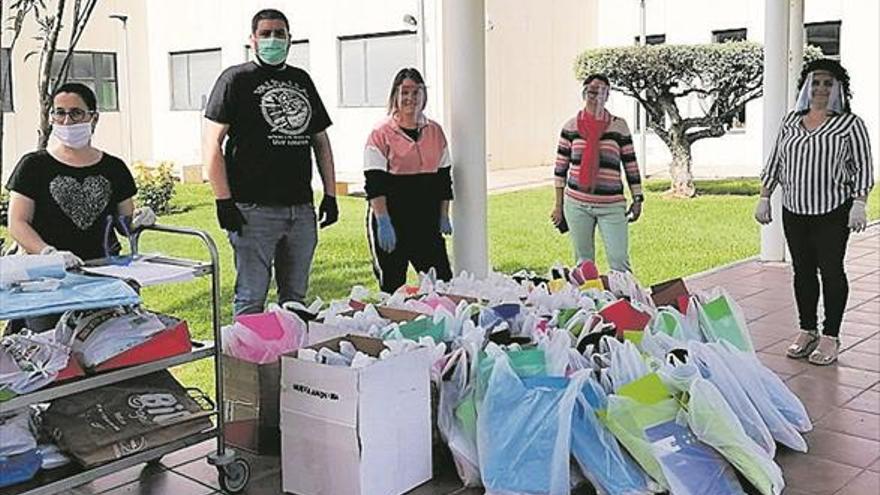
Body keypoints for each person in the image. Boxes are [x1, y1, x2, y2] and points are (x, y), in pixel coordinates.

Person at [203, 8, 338, 315]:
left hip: (300, 210)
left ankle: (289, 363)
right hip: (253, 211)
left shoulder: (301, 80)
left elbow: (321, 140)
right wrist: (223, 200)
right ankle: (249, 364)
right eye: (265, 34)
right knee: (251, 299)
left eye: (280, 33)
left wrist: (330, 194)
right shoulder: (235, 79)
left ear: (290, 40)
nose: (273, 39)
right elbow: (211, 143)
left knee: (295, 301)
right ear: (252, 40)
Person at [5, 82, 155, 330]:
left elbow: (124, 223)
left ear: (93, 117)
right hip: (47, 282)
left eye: (75, 113)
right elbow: (17, 223)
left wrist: (140, 219)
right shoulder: (33, 166)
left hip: (103, 277)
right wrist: (48, 254)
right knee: (52, 353)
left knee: (111, 351)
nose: (66, 121)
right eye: (59, 113)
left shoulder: (114, 168)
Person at [756, 58, 874, 366]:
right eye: (816, 82)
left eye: (828, 82)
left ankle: (830, 335)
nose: (821, 88)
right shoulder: (790, 122)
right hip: (795, 209)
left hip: (832, 211)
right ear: (806, 87)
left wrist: (859, 203)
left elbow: (862, 166)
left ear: (839, 88)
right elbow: (776, 161)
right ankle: (807, 329)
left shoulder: (850, 124)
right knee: (803, 272)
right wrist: (765, 196)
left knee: (831, 271)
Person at [363, 67, 453, 294]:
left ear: (424, 96)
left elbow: (444, 180)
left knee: (442, 284)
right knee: (393, 289)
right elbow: (374, 184)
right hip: (392, 222)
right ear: (395, 95)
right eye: (405, 92)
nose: (410, 98)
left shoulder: (435, 132)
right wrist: (383, 221)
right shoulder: (380, 133)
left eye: (416, 92)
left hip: (426, 222)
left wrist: (443, 215)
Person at [551, 74, 644, 272]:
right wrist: (558, 206)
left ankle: (625, 300)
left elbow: (631, 165)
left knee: (619, 260)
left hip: (611, 206)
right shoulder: (570, 127)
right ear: (584, 94)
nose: (596, 96)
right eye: (592, 91)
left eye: (602, 92)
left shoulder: (619, 126)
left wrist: (637, 199)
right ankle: (591, 300)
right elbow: (560, 170)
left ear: (608, 96)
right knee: (584, 264)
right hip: (576, 204)